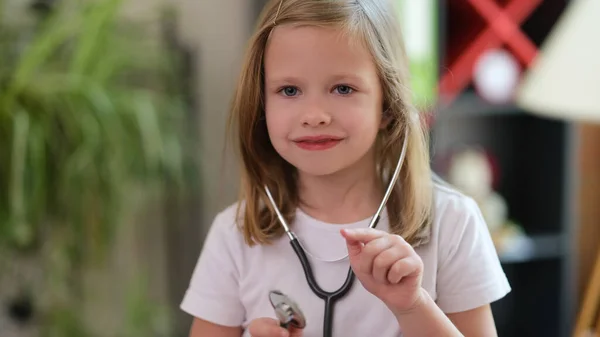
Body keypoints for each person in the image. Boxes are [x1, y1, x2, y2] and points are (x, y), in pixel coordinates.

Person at [180, 0, 511, 336]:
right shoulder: (235, 235)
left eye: (342, 89)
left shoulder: (453, 223)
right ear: (261, 104)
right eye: (289, 90)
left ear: (388, 105)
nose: (314, 114)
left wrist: (412, 306)